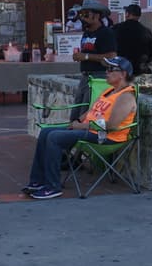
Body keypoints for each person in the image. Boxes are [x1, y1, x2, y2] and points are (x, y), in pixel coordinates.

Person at [23, 56, 138, 200]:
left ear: (123, 74)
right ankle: (37, 181)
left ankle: (52, 187)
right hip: (88, 130)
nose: (106, 72)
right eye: (106, 68)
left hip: (106, 138)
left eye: (110, 69)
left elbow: (111, 126)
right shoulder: (108, 92)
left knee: (54, 137)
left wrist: (81, 126)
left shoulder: (126, 97)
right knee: (46, 132)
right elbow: (91, 112)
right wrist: (77, 121)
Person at [70, 0, 118, 108]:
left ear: (96, 16)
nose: (82, 17)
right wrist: (79, 56)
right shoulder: (87, 33)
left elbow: (112, 56)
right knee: (77, 110)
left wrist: (86, 56)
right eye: (81, 14)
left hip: (98, 77)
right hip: (85, 76)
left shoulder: (106, 33)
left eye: (86, 14)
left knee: (88, 111)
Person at [114, 3, 152, 74]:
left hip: (121, 70)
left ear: (127, 14)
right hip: (140, 71)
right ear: (139, 16)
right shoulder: (146, 31)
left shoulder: (116, 29)